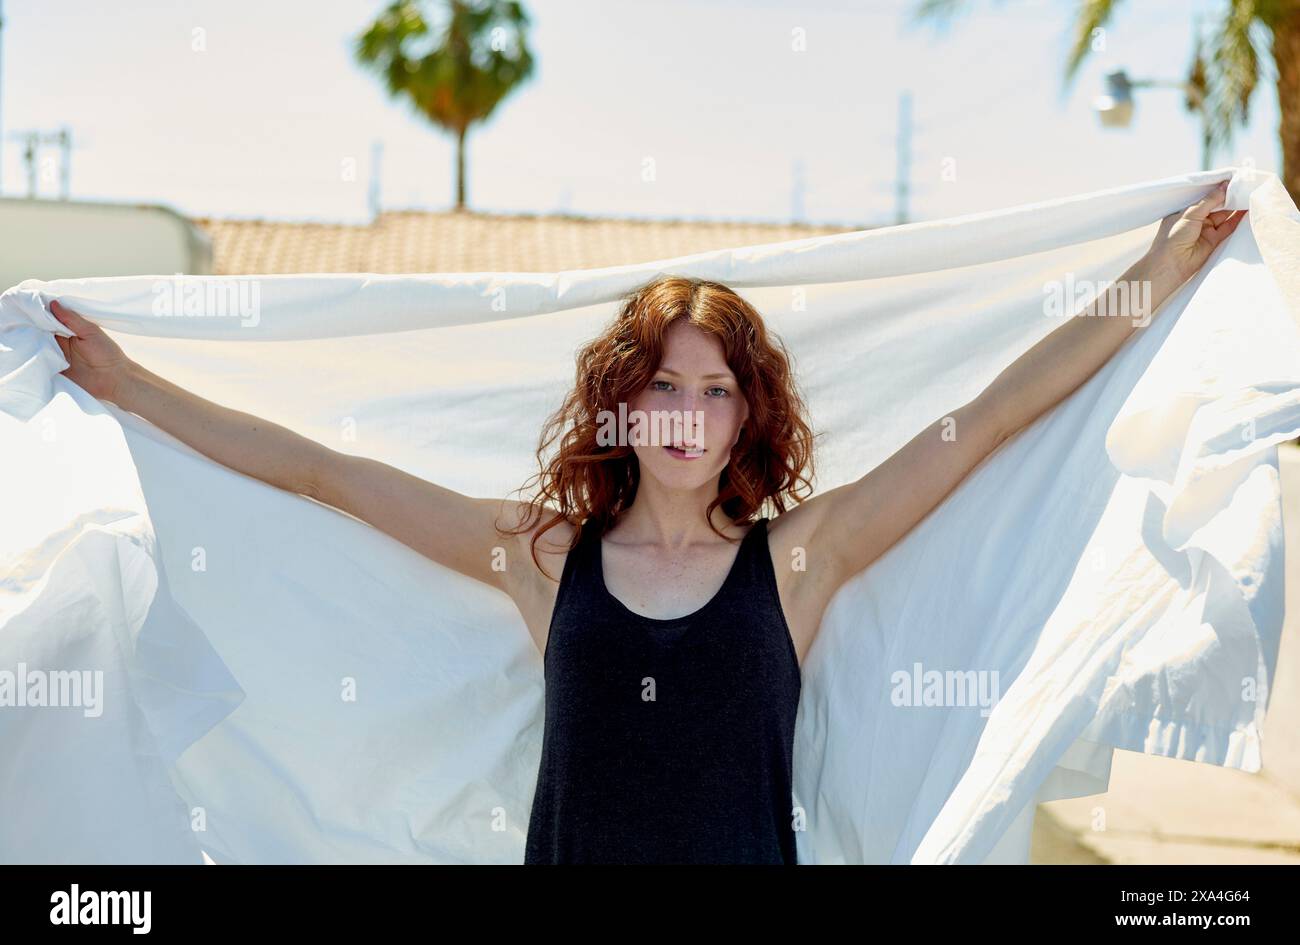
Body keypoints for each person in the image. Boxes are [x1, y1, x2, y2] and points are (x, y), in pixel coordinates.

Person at [49, 185, 1243, 864]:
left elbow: (981, 424)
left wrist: (1152, 274)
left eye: (715, 389)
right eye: (663, 386)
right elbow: (322, 472)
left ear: (745, 418)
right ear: (624, 407)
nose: (687, 414)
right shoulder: (542, 555)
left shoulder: (801, 558)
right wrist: (127, 387)